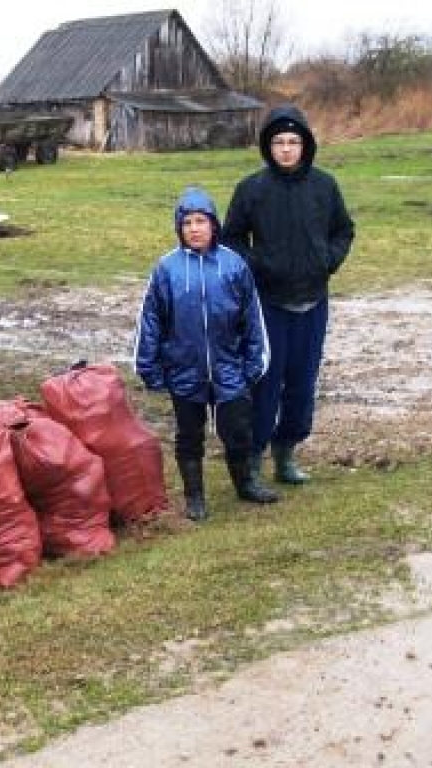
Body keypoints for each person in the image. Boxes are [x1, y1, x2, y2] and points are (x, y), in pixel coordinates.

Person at [223, 105, 355, 485]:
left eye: (293, 141)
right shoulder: (252, 189)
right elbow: (231, 237)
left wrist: (327, 261)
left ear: (305, 145)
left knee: (302, 381)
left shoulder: (324, 186)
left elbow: (343, 230)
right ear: (268, 146)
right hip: (268, 303)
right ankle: (252, 459)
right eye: (278, 142)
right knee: (266, 381)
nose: (286, 149)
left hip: (313, 300)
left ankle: (287, 452)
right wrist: (259, 265)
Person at [135, 186, 279, 522]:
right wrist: (150, 366)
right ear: (179, 228)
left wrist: (253, 364)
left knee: (237, 432)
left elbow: (251, 318)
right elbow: (151, 319)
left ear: (214, 224)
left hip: (230, 370)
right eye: (187, 223)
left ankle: (245, 483)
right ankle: (195, 495)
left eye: (201, 221)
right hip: (184, 371)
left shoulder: (233, 266)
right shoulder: (167, 269)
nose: (195, 229)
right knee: (188, 436)